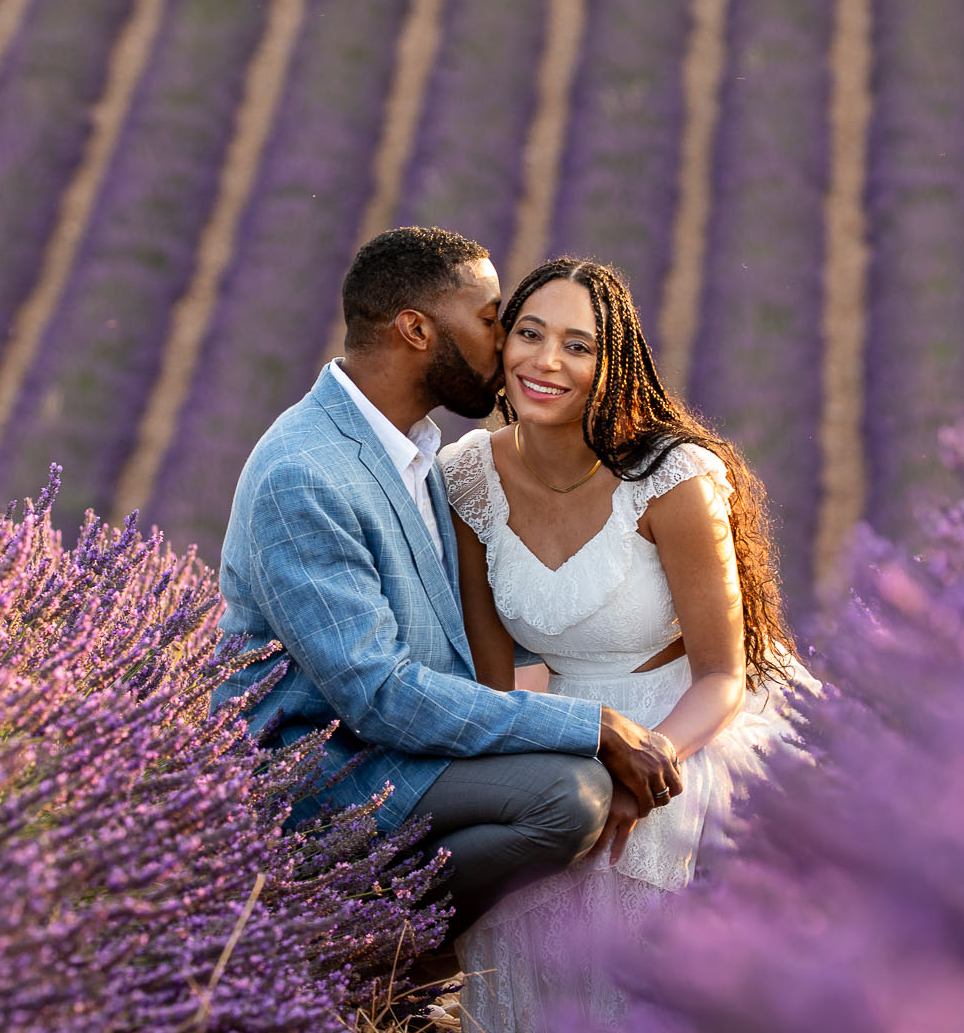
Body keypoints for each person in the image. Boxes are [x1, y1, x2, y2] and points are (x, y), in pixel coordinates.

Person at [214, 227, 682, 962]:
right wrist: (591, 723)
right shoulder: (306, 472)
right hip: (321, 774)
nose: (507, 346)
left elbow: (478, 621)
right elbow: (381, 694)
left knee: (575, 783)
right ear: (416, 329)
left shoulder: (419, 448)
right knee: (566, 797)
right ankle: (354, 954)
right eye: (492, 319)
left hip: (393, 750)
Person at [438, 256, 813, 1033]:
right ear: (502, 345)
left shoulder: (671, 477)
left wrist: (651, 770)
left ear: (613, 365)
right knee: (523, 857)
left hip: (689, 718)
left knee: (637, 854)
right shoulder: (468, 474)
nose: (547, 362)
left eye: (578, 345)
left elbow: (725, 675)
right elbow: (488, 676)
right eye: (530, 335)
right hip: (573, 720)